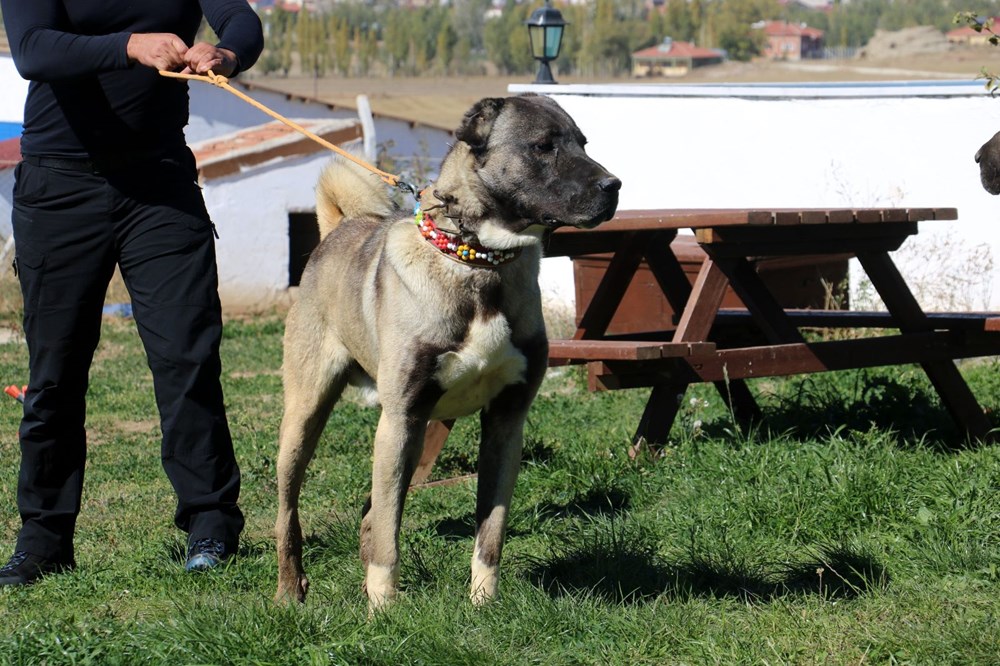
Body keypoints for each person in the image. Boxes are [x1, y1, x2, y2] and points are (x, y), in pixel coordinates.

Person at [0, 1, 264, 586]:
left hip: (160, 181)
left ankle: (211, 524)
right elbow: (33, 50)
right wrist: (130, 45)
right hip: (60, 184)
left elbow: (241, 19)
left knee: (187, 356)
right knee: (55, 371)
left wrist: (226, 52)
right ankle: (43, 541)